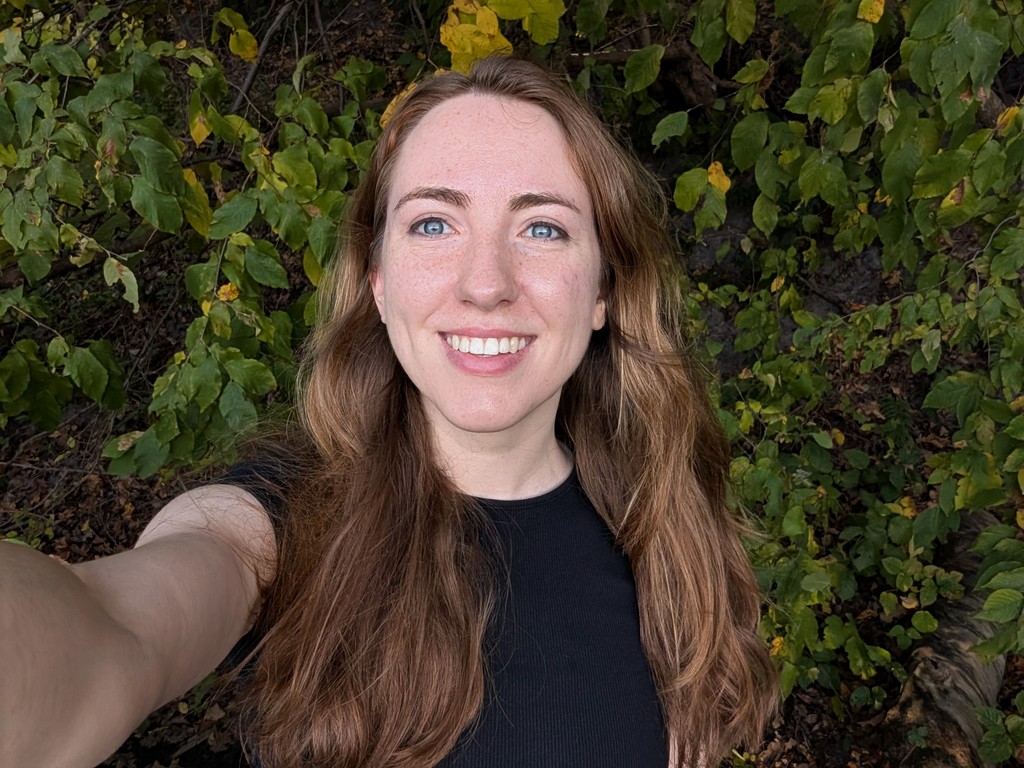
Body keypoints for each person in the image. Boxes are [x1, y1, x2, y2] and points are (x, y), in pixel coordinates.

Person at [0, 57, 777, 768]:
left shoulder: (661, 526)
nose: (485, 284)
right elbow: (120, 628)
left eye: (542, 227)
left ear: (604, 290)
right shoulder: (283, 524)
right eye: (434, 224)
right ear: (377, 281)